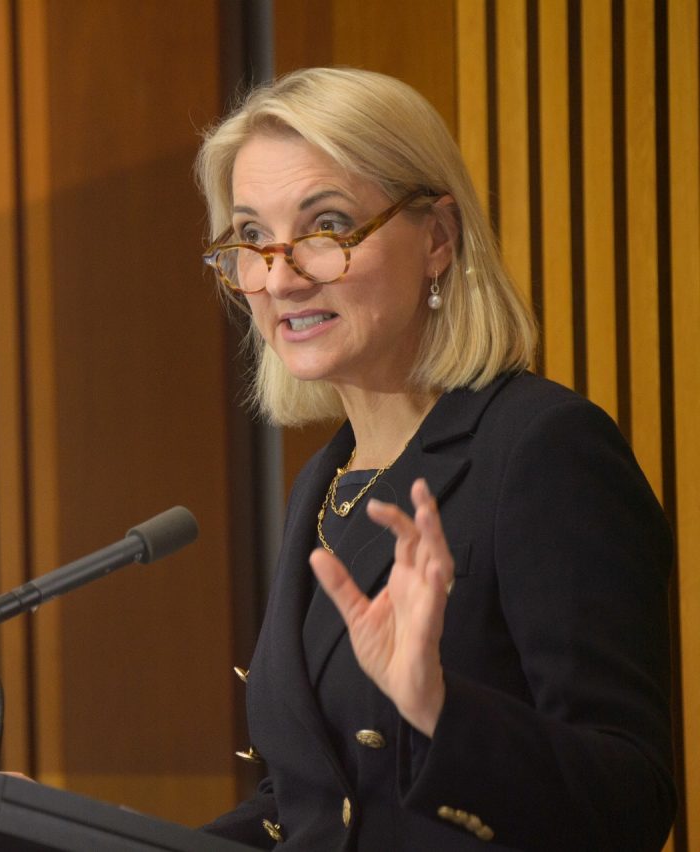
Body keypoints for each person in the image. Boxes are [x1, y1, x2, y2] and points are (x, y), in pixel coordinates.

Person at [194, 67, 675, 851]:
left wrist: (439, 711)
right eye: (251, 238)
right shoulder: (325, 482)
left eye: (326, 225)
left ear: (438, 240)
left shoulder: (543, 450)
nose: (279, 276)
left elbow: (631, 803)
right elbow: (309, 803)